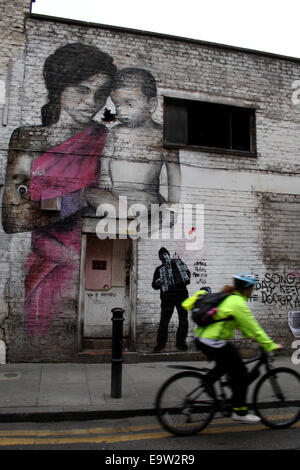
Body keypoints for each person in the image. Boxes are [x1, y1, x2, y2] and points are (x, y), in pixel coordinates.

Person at [2, 43, 117, 335]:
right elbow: (15, 218)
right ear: (59, 87)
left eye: (100, 94)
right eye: (82, 90)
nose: (92, 103)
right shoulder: (28, 140)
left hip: (99, 267)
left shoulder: (105, 140)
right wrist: (80, 197)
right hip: (48, 272)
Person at [191, 274, 282, 423]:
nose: (253, 291)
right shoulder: (237, 302)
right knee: (241, 373)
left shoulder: (230, 297)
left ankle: (210, 381)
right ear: (246, 289)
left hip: (203, 338)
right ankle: (239, 412)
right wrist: (270, 344)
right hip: (213, 341)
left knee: (230, 363)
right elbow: (254, 326)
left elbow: (240, 324)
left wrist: (249, 336)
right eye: (251, 288)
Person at [99, 67, 181, 215]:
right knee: (91, 194)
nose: (121, 111)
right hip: (113, 197)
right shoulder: (116, 132)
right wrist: (104, 174)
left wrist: (173, 205)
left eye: (129, 104)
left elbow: (174, 174)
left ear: (151, 105)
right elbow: (106, 155)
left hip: (146, 198)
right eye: (117, 105)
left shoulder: (164, 136)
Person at [152, 247, 191, 352]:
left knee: (183, 320)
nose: (164, 259)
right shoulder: (159, 270)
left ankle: (181, 343)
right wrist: (158, 282)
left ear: (168, 255)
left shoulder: (178, 263)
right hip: (167, 298)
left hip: (181, 295)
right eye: (162, 258)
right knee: (164, 321)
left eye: (165, 256)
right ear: (160, 259)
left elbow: (188, 279)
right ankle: (160, 345)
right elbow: (154, 285)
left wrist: (185, 272)